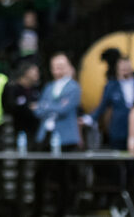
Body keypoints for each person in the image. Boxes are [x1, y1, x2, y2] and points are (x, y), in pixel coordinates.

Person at [32, 52, 81, 217]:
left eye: (61, 66)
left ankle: (62, 211)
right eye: (55, 67)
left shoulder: (73, 87)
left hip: (65, 138)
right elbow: (38, 110)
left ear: (68, 67)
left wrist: (47, 106)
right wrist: (52, 106)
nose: (58, 70)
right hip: (46, 135)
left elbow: (64, 109)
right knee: (40, 174)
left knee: (63, 176)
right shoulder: (49, 87)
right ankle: (38, 210)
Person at [80, 55, 134, 149]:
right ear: (117, 69)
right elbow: (102, 106)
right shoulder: (111, 86)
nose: (125, 70)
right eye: (122, 68)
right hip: (119, 131)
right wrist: (89, 119)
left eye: (127, 67)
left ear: (131, 68)